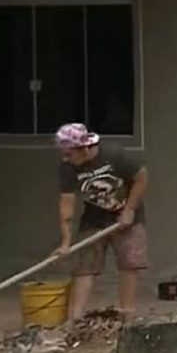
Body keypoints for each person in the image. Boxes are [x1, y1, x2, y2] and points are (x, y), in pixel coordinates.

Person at [53, 123, 148, 321]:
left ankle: (127, 317)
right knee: (85, 266)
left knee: (128, 264)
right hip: (94, 218)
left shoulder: (114, 154)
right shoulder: (67, 167)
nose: (65, 158)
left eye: (69, 153)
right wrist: (65, 241)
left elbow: (141, 177)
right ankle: (75, 319)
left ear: (84, 148)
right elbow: (66, 206)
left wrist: (129, 210)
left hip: (127, 213)